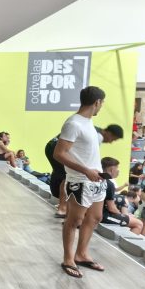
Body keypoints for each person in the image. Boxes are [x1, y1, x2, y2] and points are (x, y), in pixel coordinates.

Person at [54, 86, 107, 278]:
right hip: (80, 180)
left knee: (95, 217)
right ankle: (68, 259)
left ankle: (81, 254)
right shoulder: (73, 123)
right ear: (97, 102)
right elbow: (59, 153)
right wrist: (85, 170)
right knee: (74, 220)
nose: (102, 106)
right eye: (102, 103)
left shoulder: (88, 122)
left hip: (96, 180)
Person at [45, 123, 123, 219]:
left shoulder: (93, 129)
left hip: (51, 146)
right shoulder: (98, 137)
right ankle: (62, 208)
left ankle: (62, 205)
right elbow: (88, 156)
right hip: (59, 149)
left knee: (60, 173)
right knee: (67, 177)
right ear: (109, 133)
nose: (111, 142)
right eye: (113, 139)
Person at [100, 157, 143, 234]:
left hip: (97, 213)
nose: (118, 170)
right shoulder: (108, 184)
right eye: (117, 168)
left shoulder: (98, 180)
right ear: (111, 169)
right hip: (104, 216)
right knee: (139, 224)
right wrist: (123, 215)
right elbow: (111, 208)